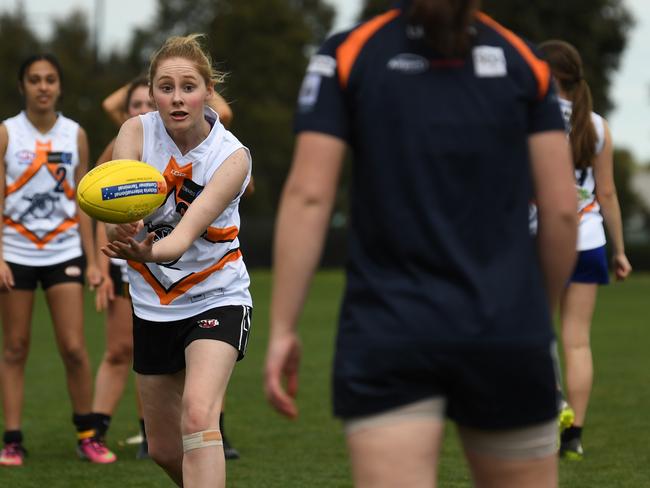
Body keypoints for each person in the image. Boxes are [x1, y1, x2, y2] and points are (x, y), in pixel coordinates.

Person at [264, 2, 578, 487]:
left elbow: (309, 196)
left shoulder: (348, 54)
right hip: (506, 330)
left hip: (390, 328)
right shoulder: (526, 62)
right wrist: (539, 315)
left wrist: (284, 326)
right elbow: (560, 210)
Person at [101, 34, 252, 487]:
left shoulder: (232, 158)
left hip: (215, 294)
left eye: (188, 86)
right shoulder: (135, 132)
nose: (177, 97)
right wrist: (119, 230)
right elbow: (117, 208)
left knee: (199, 416)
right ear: (151, 93)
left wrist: (147, 250)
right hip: (152, 303)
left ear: (208, 91)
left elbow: (182, 238)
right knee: (165, 449)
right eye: (165, 87)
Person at [0, 54, 115, 466]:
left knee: (74, 348)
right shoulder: (7, 133)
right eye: (34, 79)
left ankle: (88, 434)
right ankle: (12, 439)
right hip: (15, 253)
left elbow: (83, 202)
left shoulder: (75, 134)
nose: (43, 86)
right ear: (23, 87)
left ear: (59, 87)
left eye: (50, 79)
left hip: (64, 251)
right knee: (14, 348)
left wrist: (93, 260)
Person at [538, 40, 632, 460]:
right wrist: (620, 251)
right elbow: (607, 193)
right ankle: (574, 436)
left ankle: (554, 400)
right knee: (577, 341)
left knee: (536, 331)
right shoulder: (596, 126)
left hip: (540, 239)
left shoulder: (530, 116)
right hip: (589, 239)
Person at [91, 76, 155, 461]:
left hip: (168, 262)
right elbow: (93, 204)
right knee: (119, 349)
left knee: (159, 351)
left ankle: (154, 433)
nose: (143, 111)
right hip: (124, 260)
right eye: (134, 105)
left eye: (150, 103)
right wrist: (99, 265)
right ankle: (94, 433)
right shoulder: (120, 146)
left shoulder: (177, 144)